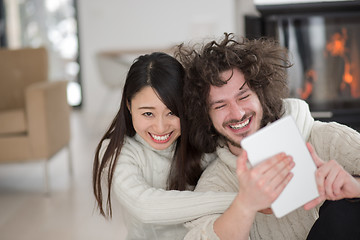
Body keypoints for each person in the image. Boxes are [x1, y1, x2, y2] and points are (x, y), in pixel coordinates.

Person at [174, 33, 360, 240]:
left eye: (243, 96)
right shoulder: (216, 184)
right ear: (206, 115)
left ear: (261, 95)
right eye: (220, 105)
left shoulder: (327, 138)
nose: (237, 114)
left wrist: (356, 187)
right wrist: (245, 204)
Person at [92, 52, 236, 240]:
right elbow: (145, 206)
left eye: (172, 113)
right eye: (148, 114)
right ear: (129, 105)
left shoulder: (204, 139)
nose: (160, 128)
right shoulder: (117, 150)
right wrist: (243, 201)